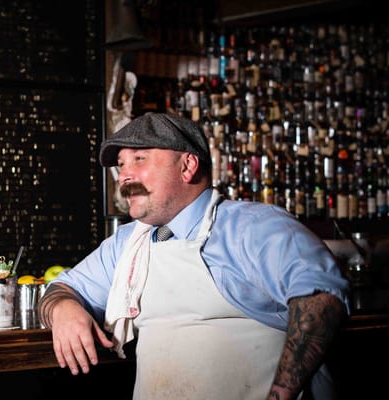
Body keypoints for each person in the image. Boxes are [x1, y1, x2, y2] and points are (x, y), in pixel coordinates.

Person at [38, 112, 350, 400]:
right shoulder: (127, 243)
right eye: (121, 165)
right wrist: (63, 308)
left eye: (139, 160)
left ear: (187, 166)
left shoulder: (251, 227)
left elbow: (321, 299)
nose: (124, 176)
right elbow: (62, 289)